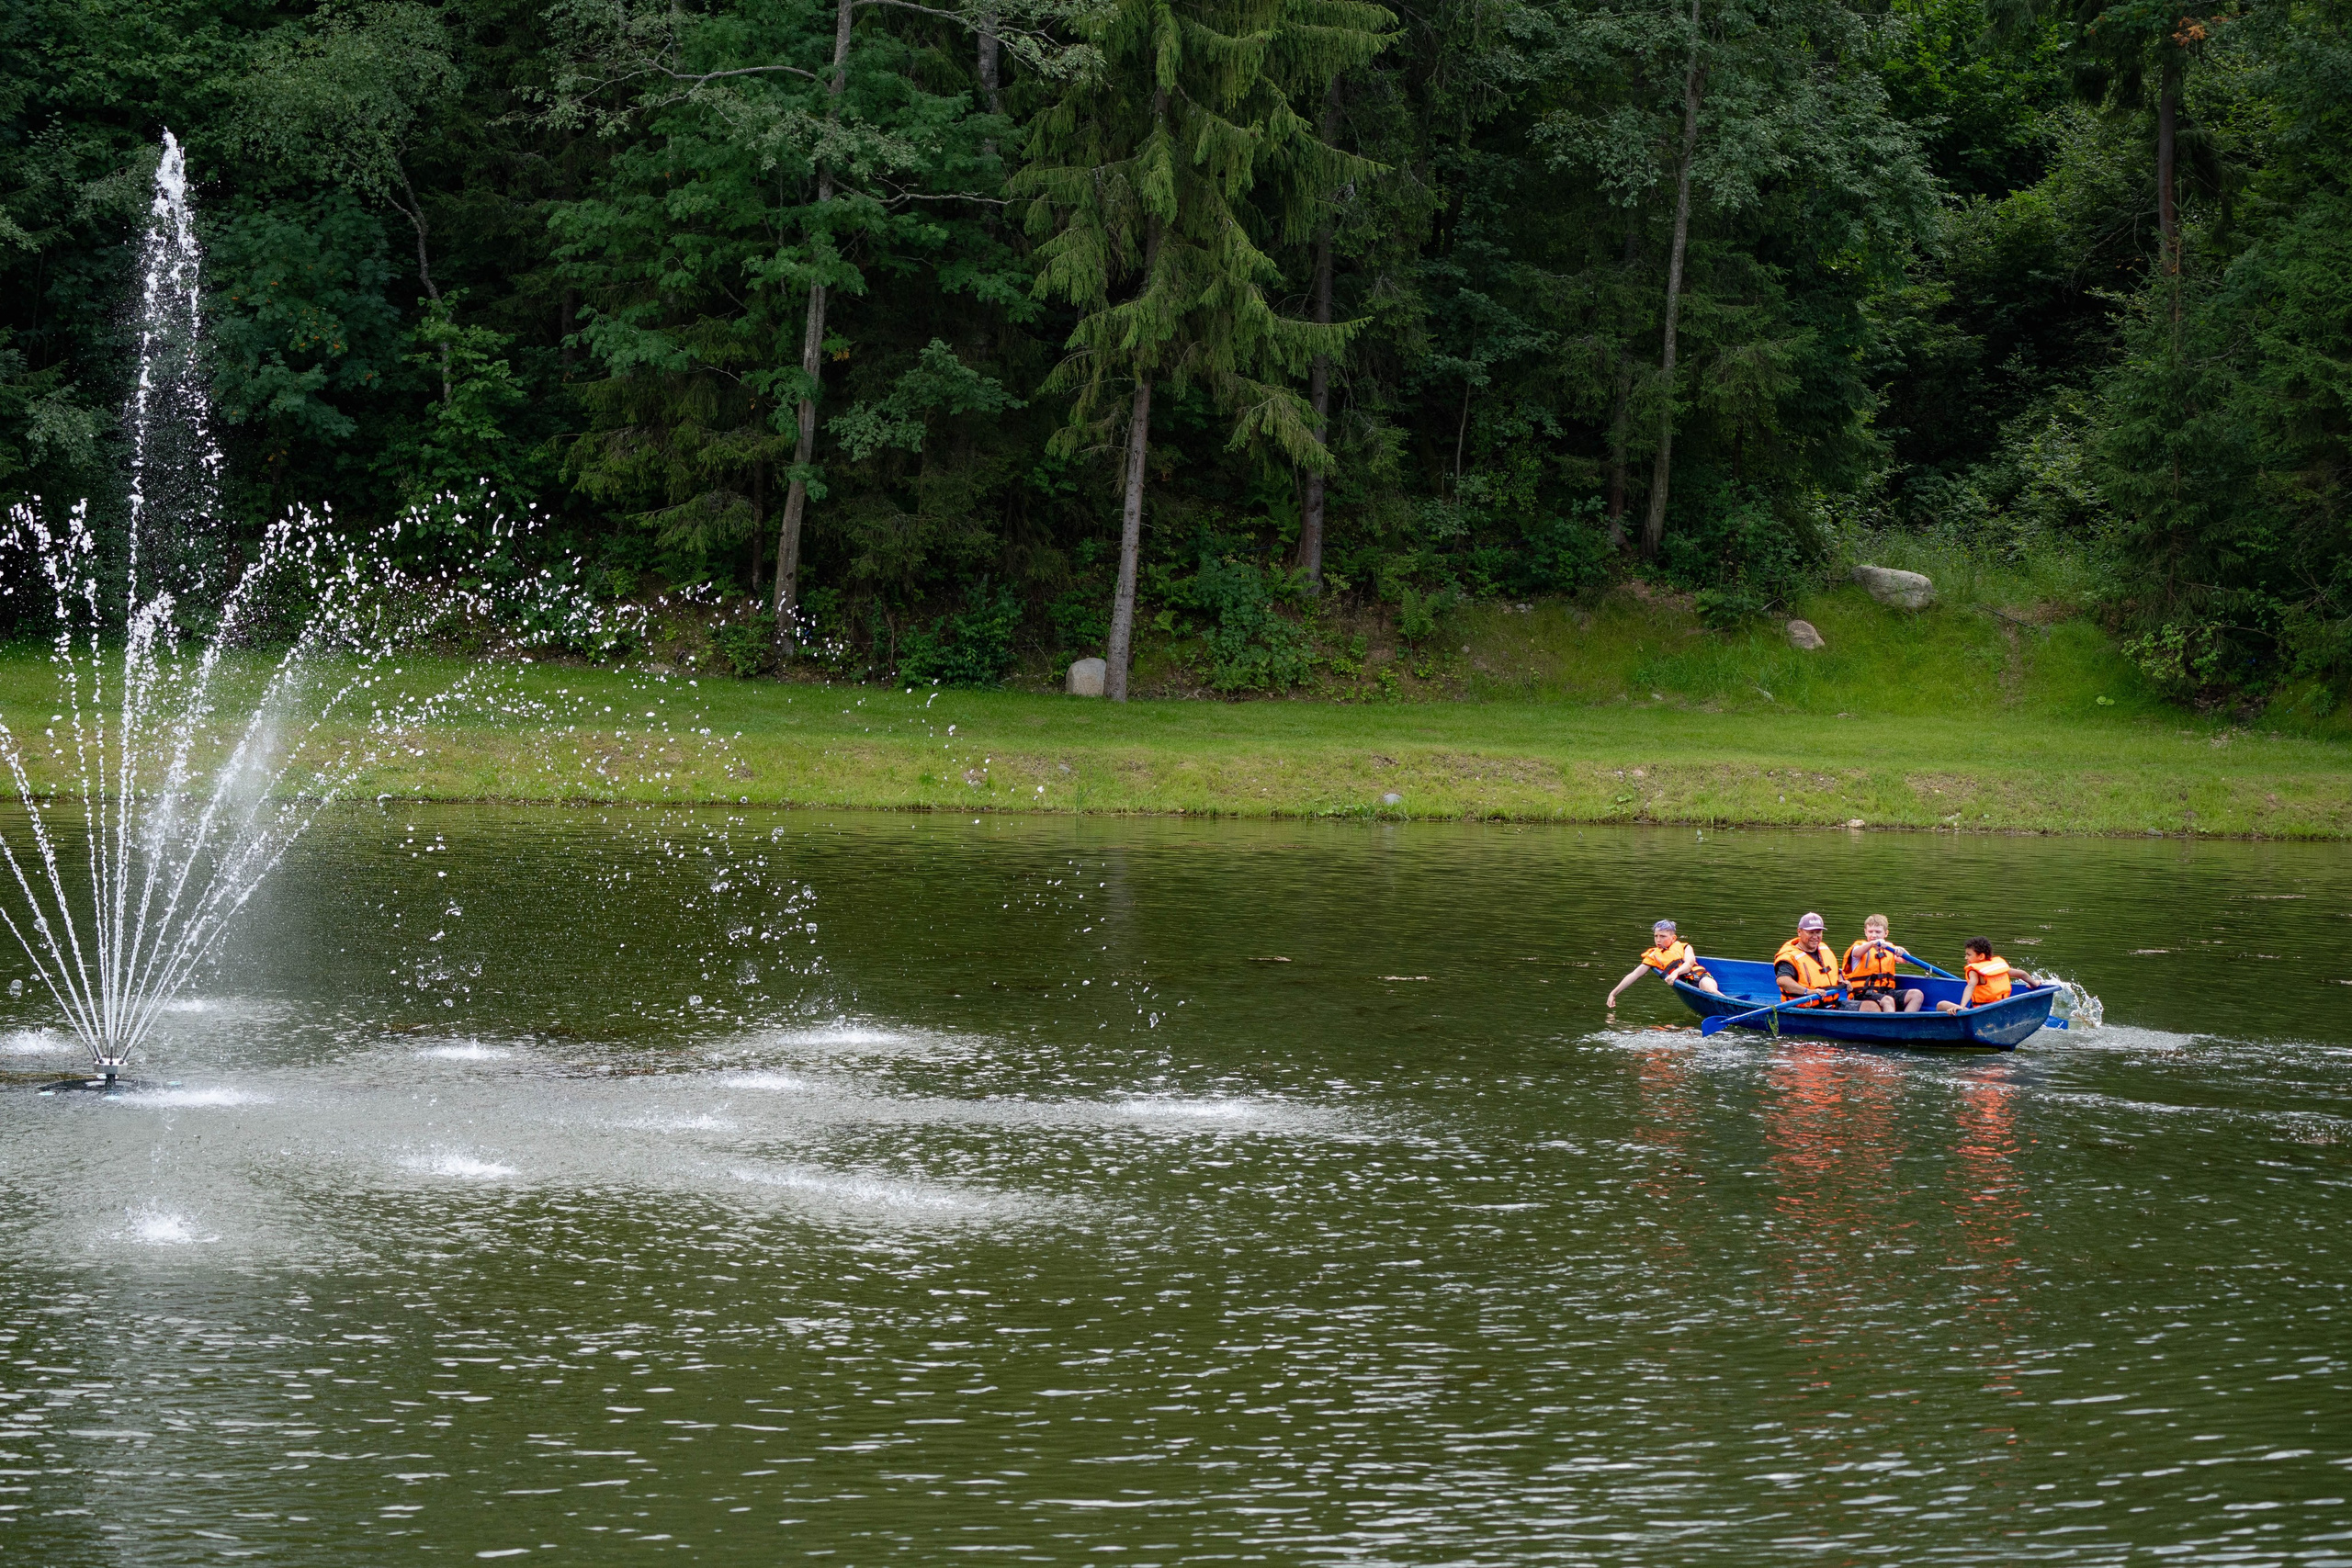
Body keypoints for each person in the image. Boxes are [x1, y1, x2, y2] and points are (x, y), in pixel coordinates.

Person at [1606, 919, 1721, 1009]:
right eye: (1656, 936)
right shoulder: (1653, 957)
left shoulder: (1684, 946)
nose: (1658, 940)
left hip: (1700, 978)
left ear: (1673, 938)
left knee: (1708, 988)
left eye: (1663, 936)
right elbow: (1634, 975)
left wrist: (1675, 972)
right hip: (1686, 987)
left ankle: (1733, 1006)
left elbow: (1689, 964)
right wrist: (1613, 993)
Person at [1842, 914, 1926, 1013]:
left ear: (1886, 933)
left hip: (1887, 992)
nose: (1874, 935)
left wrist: (1902, 951)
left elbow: (1906, 960)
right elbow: (1856, 954)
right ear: (1865, 932)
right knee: (1888, 1001)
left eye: (1878, 932)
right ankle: (1892, 1026)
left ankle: (1905, 1023)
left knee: (1917, 995)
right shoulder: (1859, 946)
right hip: (1863, 994)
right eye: (1870, 931)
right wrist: (1873, 943)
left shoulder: (1889, 948)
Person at [1775, 912, 1858, 1010]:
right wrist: (1808, 991)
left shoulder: (1823, 949)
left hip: (1831, 1004)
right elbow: (1782, 981)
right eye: (1811, 933)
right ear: (1799, 932)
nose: (1815, 937)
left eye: (1818, 932)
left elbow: (1835, 972)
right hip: (1805, 1007)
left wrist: (1842, 982)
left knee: (1869, 1007)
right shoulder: (1790, 957)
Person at [1936, 938, 2012, 1013]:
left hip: (1980, 1011)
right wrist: (2025, 983)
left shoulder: (1974, 971)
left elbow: (1971, 986)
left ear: (1981, 956)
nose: (1966, 958)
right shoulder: (1997, 967)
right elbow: (2022, 974)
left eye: (1969, 955)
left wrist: (1962, 1006)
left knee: (1941, 1005)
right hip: (2001, 1007)